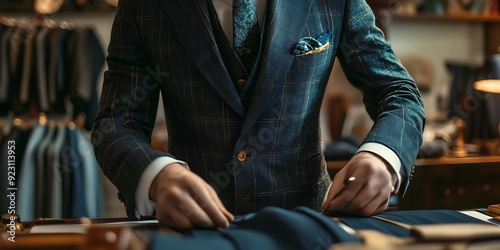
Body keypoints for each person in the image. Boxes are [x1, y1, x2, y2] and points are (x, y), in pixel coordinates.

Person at [91, 0, 425, 230]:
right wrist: (157, 175)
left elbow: (397, 92)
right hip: (193, 231)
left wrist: (383, 155)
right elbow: (116, 123)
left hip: (310, 227)